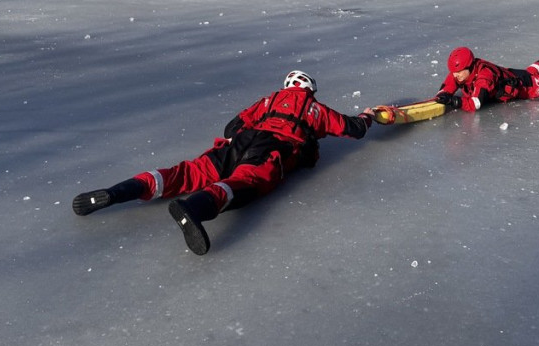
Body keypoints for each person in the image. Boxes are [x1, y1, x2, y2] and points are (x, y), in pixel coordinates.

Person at [72, 70, 376, 255]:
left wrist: (245, 136)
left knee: (185, 172)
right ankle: (194, 209)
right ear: (308, 88)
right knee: (244, 182)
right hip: (272, 148)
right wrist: (368, 115)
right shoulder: (314, 109)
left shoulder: (268, 101)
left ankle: (117, 192)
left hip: (241, 141)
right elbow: (354, 130)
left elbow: (232, 127)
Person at [434, 46, 539, 112]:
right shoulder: (463, 72)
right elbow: (452, 80)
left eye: (459, 72)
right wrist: (443, 93)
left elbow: (476, 103)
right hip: (511, 76)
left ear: (469, 67)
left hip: (521, 87)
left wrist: (454, 101)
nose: (455, 75)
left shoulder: (484, 78)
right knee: (529, 72)